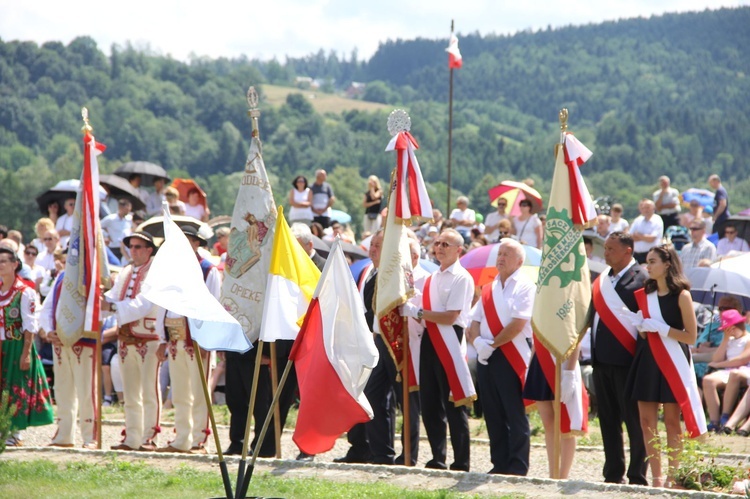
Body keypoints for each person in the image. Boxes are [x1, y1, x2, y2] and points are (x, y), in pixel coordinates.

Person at [626, 244, 704, 488]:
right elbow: (644, 335)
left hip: (673, 360)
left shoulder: (682, 295)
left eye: (652, 261)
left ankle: (673, 475)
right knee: (646, 421)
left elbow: (691, 337)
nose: (647, 266)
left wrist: (662, 329)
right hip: (648, 360)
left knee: (672, 421)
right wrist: (641, 327)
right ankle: (657, 477)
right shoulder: (644, 294)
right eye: (647, 261)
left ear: (667, 264)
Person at [402, 228, 476, 471]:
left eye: (446, 244)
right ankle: (438, 457)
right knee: (430, 403)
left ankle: (461, 460)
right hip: (429, 341)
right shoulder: (433, 278)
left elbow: (451, 316)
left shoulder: (461, 278)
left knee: (454, 403)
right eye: (438, 243)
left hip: (449, 340)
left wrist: (418, 312)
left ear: (458, 250)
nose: (440, 247)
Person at [467, 239, 533, 475]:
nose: (501, 257)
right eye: (500, 253)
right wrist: (477, 343)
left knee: (514, 413)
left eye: (507, 254)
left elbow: (518, 323)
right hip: (487, 357)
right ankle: (499, 464)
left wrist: (492, 344)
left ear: (520, 261)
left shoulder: (525, 286)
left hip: (510, 356)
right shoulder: (489, 287)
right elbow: (472, 322)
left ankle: (517, 466)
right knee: (493, 413)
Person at [155, 226, 220, 454]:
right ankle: (182, 438)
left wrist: (206, 338)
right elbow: (163, 305)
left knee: (199, 391)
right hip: (175, 337)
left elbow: (213, 305)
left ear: (195, 243)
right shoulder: (171, 270)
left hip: (196, 339)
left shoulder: (208, 270)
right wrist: (162, 338)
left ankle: (199, 438)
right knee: (180, 391)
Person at [590, 232, 649, 485]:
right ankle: (613, 472)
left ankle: (637, 474)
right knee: (608, 419)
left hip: (628, 361)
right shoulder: (603, 279)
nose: (606, 253)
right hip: (602, 359)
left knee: (634, 420)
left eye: (611, 249)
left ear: (628, 251)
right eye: (605, 249)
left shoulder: (642, 279)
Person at [103, 232, 165, 451]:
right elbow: (114, 296)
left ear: (149, 249)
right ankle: (131, 437)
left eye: (139, 246)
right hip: (126, 337)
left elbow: (144, 304)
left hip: (149, 338)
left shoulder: (156, 272)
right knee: (129, 392)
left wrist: (111, 307)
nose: (134, 250)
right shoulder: (127, 271)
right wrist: (101, 298)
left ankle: (150, 436)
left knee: (149, 389)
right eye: (131, 246)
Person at [40, 261, 99, 449]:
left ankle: (91, 436)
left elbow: (98, 310)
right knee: (63, 390)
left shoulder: (92, 275)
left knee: (86, 390)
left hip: (83, 341)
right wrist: (49, 330)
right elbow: (48, 306)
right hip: (60, 341)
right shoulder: (61, 276)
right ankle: (64, 434)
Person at [0, 246, 54, 446]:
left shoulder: (25, 292)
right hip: (1, 346)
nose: (0, 266)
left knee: (15, 387)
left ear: (15, 265)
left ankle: (15, 432)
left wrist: (26, 353)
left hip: (16, 345)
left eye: (4, 261)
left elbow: (29, 324)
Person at [702, 309, 750, 432]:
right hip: (728, 371)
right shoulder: (729, 341)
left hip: (744, 371)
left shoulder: (748, 339)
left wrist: (718, 364)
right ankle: (714, 421)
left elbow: (742, 360)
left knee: (734, 374)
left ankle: (726, 415)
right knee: (708, 380)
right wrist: (725, 340)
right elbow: (716, 358)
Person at [630, 199, 663, 264]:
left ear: (653, 208)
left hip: (651, 255)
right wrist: (644, 237)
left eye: (647, 207)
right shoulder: (638, 220)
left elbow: (652, 238)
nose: (645, 210)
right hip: (636, 255)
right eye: (643, 208)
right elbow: (630, 237)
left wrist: (638, 235)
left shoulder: (657, 220)